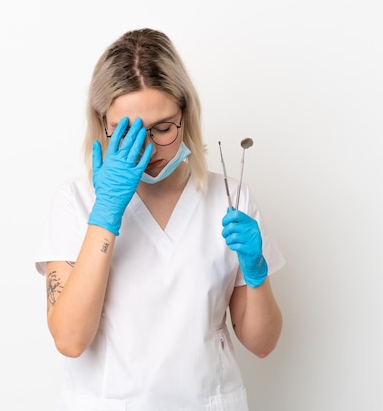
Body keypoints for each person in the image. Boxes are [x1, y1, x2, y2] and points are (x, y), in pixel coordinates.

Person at [35, 28, 285, 411]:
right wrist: (106, 215)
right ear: (102, 123)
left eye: (163, 128)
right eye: (128, 133)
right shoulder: (77, 201)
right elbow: (70, 339)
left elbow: (263, 344)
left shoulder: (230, 200)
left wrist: (256, 270)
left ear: (185, 114)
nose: (149, 148)